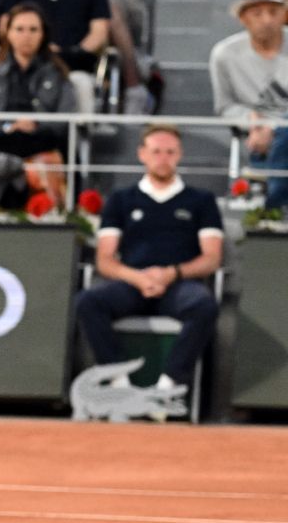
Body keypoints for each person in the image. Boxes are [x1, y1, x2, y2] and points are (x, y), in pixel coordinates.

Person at [75, 124, 223, 399]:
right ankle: (120, 384)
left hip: (179, 286)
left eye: (170, 152)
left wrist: (171, 273)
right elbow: (105, 260)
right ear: (142, 154)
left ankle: (167, 389)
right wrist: (139, 278)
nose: (163, 158)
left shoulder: (201, 200)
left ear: (179, 155)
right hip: (132, 284)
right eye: (156, 151)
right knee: (88, 301)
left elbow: (212, 258)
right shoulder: (120, 199)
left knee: (204, 305)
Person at [0, 2, 75, 205]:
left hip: (41, 140)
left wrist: (35, 125)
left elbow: (64, 121)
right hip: (2, 141)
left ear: (43, 34)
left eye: (33, 29)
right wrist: (9, 126)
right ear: (7, 33)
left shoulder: (58, 75)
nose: (26, 36)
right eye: (19, 29)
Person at [210, 0, 288, 210]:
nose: (266, 20)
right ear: (243, 17)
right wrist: (252, 119)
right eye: (257, 13)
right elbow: (224, 106)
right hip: (254, 136)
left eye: (273, 12)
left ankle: (270, 205)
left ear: (284, 14)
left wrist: (272, 127)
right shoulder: (224, 55)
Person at [0, 0, 110, 114]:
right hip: (20, 66)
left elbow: (100, 31)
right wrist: (35, 46)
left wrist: (71, 53)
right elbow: (4, 25)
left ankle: (79, 134)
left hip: (73, 66)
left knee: (81, 83)